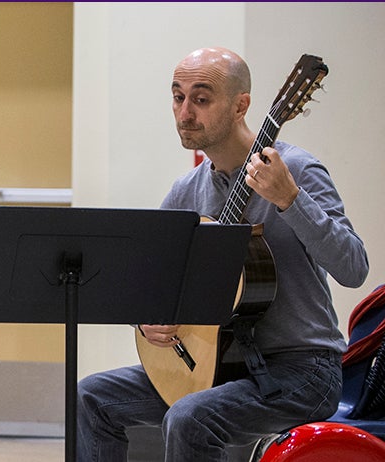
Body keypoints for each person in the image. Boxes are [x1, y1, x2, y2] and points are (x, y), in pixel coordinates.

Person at [76, 47, 369, 460]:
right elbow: (145, 283)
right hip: (211, 369)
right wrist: (145, 322)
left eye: (201, 98)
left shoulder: (298, 171)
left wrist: (290, 201)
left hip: (301, 370)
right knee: (91, 396)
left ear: (240, 105)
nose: (185, 112)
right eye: (178, 97)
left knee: (191, 416)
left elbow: (354, 267)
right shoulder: (187, 191)